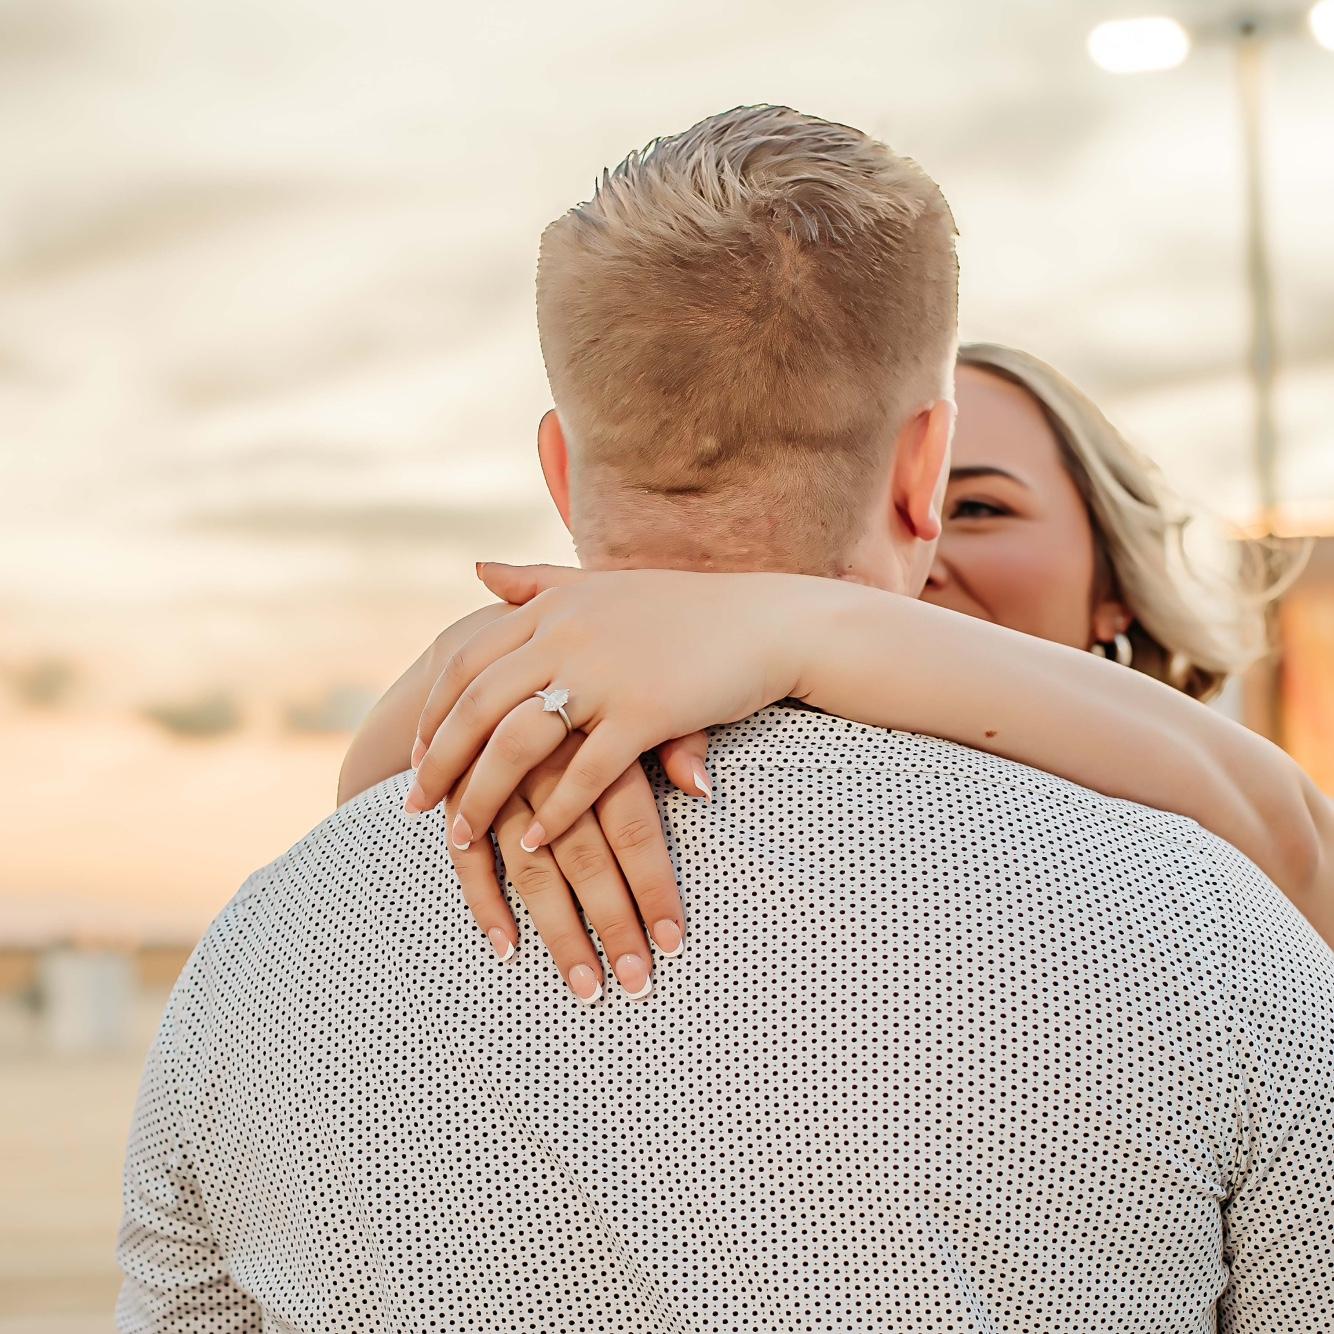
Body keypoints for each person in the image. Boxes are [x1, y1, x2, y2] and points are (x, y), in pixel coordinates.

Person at [118, 106, 1334, 1331]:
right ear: (918, 469)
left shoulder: (264, 947)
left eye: (995, 511)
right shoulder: (1205, 930)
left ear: (560, 470)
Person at [338, 344, 1332, 993]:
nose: (920, 545)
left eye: (978, 508)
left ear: (1115, 582)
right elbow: (366, 798)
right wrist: (506, 661)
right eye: (875, 498)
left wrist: (807, 623)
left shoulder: (1197, 838)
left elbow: (1299, 850)